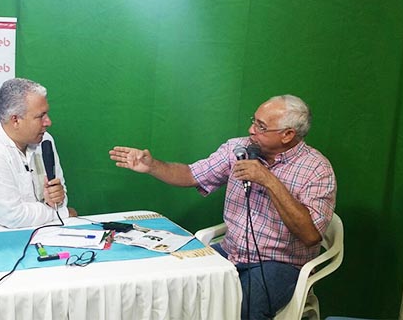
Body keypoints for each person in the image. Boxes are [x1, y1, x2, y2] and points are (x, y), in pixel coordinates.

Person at [109, 95, 336, 319]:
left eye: (261, 126)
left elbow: (310, 235)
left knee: (241, 308)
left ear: (288, 135)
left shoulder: (316, 169)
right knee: (174, 288)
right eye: (254, 121)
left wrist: (269, 180)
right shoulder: (237, 149)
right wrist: (152, 166)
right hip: (230, 251)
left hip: (280, 263)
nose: (251, 130)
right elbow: (191, 174)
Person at [0, 78, 77, 228]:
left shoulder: (45, 140)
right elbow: (12, 217)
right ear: (15, 120)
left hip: (41, 230)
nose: (48, 122)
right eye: (40, 116)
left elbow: (59, 199)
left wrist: (58, 198)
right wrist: (61, 213)